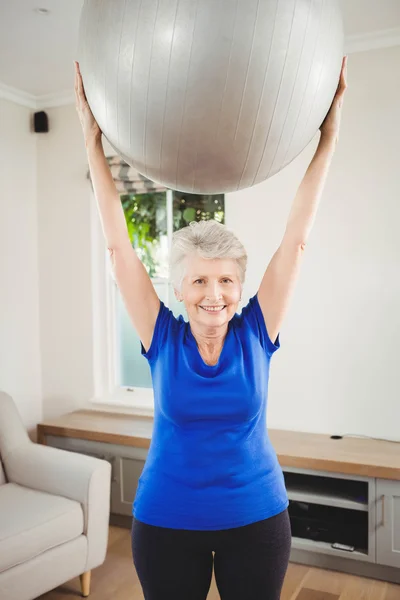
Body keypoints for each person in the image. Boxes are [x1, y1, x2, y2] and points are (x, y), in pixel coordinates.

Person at [74, 56, 347, 600]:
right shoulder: (161, 335)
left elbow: (296, 236)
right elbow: (117, 246)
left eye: (225, 280)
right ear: (179, 289)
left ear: (240, 287)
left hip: (257, 519)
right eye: (199, 281)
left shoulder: (256, 331)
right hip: (166, 522)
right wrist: (90, 139)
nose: (214, 295)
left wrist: (329, 136)